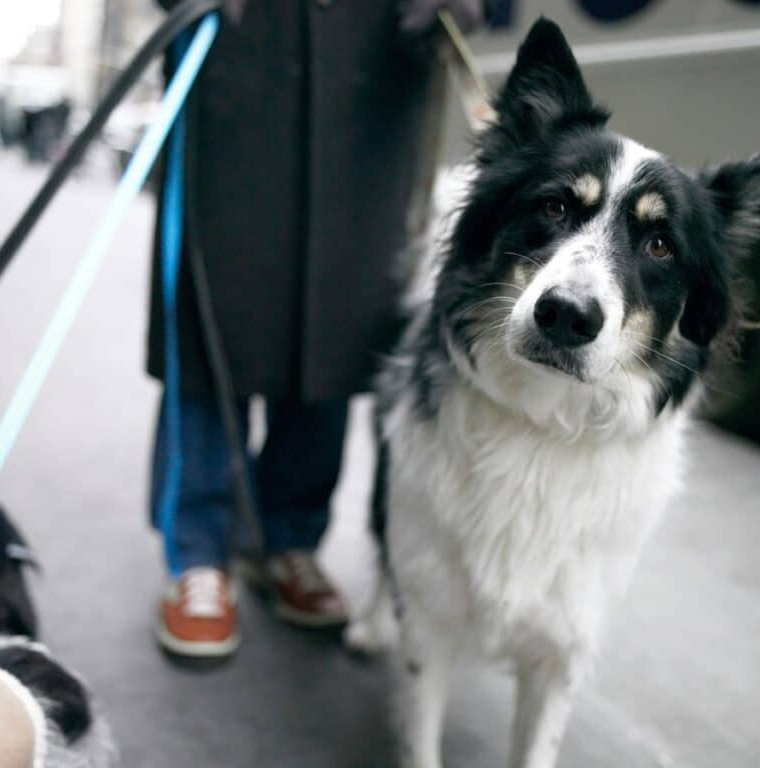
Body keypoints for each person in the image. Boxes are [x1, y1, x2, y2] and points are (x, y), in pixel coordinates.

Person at [149, 0, 491, 659]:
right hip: (239, 48)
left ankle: (288, 536)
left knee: (337, 314)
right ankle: (197, 549)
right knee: (211, 305)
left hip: (372, 62)